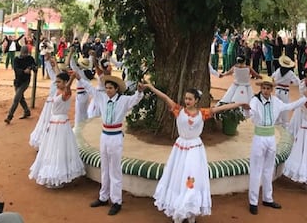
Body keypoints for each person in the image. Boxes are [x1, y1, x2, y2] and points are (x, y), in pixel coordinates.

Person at [144, 82, 249, 223]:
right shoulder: (178, 110)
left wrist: (239, 104)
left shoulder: (203, 113)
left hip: (195, 148)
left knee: (192, 177)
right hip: (180, 148)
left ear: (196, 100)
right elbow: (164, 97)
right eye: (186, 98)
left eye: (190, 99)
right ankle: (178, 211)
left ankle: (191, 212)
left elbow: (222, 108)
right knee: (179, 176)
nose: (187, 101)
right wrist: (151, 87)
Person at [78, 72, 145, 216]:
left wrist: (139, 91)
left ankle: (116, 201)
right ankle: (103, 196)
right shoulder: (101, 97)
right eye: (106, 87)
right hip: (104, 136)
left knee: (115, 169)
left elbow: (136, 99)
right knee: (105, 167)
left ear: (116, 89)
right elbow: (91, 89)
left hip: (115, 137)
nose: (107, 90)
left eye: (110, 88)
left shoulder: (123, 100)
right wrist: (80, 79)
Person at [245, 75, 307, 215]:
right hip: (259, 136)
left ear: (272, 89)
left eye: (268, 88)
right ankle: (253, 201)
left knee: (269, 168)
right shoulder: (255, 101)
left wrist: (304, 98)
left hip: (270, 136)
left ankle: (268, 198)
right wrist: (246, 110)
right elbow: (250, 113)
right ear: (260, 88)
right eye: (264, 87)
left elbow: (290, 106)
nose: (266, 90)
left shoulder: (275, 101)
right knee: (256, 169)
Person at [29, 71, 85, 188]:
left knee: (59, 148)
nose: (57, 83)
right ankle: (53, 174)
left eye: (59, 81)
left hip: (61, 124)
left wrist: (71, 80)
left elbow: (67, 89)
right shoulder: (59, 91)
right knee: (52, 148)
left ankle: (59, 175)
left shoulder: (66, 92)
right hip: (55, 122)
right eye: (57, 81)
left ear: (65, 82)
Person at [29, 54, 58, 149]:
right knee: (46, 121)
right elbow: (51, 71)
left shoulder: (58, 78)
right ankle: (43, 141)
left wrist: (52, 63)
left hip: (54, 104)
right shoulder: (55, 79)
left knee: (49, 121)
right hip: (51, 103)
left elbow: (55, 73)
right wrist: (48, 62)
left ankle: (47, 141)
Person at [4, 46, 37, 124]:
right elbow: (16, 70)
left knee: (16, 98)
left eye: (26, 53)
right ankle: (27, 111)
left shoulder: (30, 58)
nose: (25, 55)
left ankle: (9, 116)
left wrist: (32, 68)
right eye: (24, 53)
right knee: (20, 98)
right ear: (21, 52)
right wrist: (24, 71)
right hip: (18, 81)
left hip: (25, 81)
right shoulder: (16, 59)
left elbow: (35, 67)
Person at [272, 54, 300, 126]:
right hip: (284, 91)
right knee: (285, 107)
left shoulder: (278, 70)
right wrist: (290, 82)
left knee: (277, 106)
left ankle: (276, 121)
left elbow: (272, 77)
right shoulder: (290, 73)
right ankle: (285, 123)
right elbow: (297, 82)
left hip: (277, 90)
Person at [288, 68, 307, 136]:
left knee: (297, 121)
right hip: (305, 104)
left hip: (301, 103)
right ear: (306, 74)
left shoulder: (303, 81)